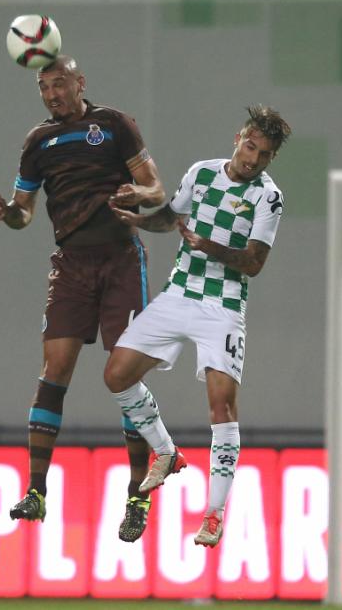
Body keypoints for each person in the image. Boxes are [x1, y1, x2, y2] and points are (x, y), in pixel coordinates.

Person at [0, 55, 166, 541]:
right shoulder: (37, 142)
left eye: (59, 84)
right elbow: (24, 213)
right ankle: (36, 490)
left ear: (79, 82)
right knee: (54, 369)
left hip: (121, 260)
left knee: (125, 378)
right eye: (44, 88)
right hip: (71, 266)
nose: (52, 95)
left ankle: (137, 497)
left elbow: (156, 188)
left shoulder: (114, 125)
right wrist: (8, 213)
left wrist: (137, 194)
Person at [103, 105, 291, 547]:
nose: (253, 160)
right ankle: (165, 452)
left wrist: (208, 245)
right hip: (179, 294)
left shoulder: (268, 197)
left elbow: (254, 262)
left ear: (271, 158)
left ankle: (213, 514)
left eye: (264, 154)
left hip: (223, 307)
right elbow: (171, 218)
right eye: (250, 147)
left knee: (222, 407)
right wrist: (137, 219)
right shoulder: (202, 172)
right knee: (116, 375)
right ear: (238, 138)